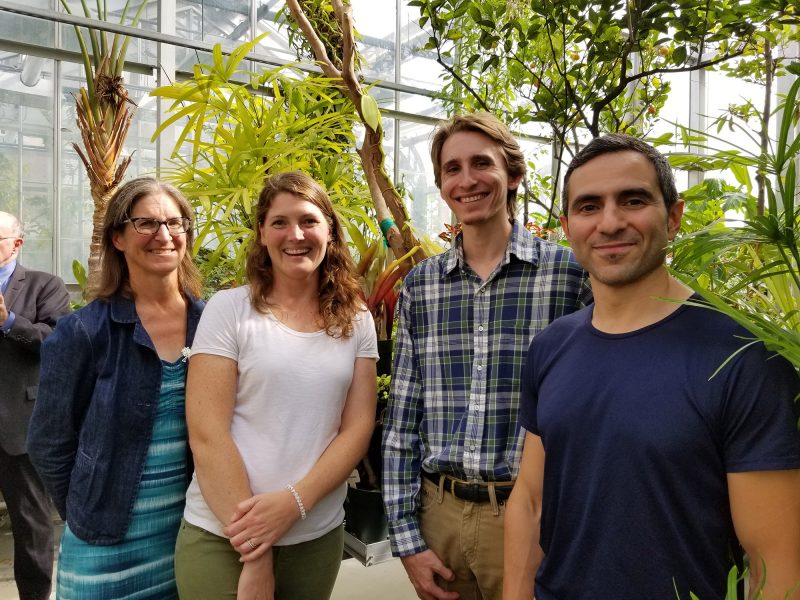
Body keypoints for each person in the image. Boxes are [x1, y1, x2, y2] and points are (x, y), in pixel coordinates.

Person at [504, 134, 800, 599]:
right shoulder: (550, 347)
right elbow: (531, 499)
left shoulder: (744, 357)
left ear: (674, 217)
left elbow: (774, 566)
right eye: (588, 206)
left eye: (633, 200)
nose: (610, 222)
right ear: (566, 225)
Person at [382, 111, 591, 600]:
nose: (467, 179)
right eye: (452, 169)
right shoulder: (422, 285)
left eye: (482, 163)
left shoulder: (568, 276)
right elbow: (403, 417)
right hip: (441, 515)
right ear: (441, 185)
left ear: (513, 175)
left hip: (532, 512)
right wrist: (407, 539)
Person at [174, 171, 378, 600]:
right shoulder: (229, 310)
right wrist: (257, 551)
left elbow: (357, 428)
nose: (295, 235)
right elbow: (208, 434)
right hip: (223, 536)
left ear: (330, 231)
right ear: (263, 234)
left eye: (308, 221)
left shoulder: (357, 319)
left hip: (315, 537)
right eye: (280, 222)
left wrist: (293, 504)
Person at [27, 177, 204, 598]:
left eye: (174, 223)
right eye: (146, 223)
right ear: (118, 238)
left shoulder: (213, 326)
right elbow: (49, 441)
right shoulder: (84, 332)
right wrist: (85, 511)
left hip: (191, 536)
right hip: (103, 545)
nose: (163, 235)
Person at [0, 211, 69, 600]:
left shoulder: (45, 285)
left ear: (16, 243)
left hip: (19, 424)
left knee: (30, 525)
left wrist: (8, 320)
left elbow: (57, 341)